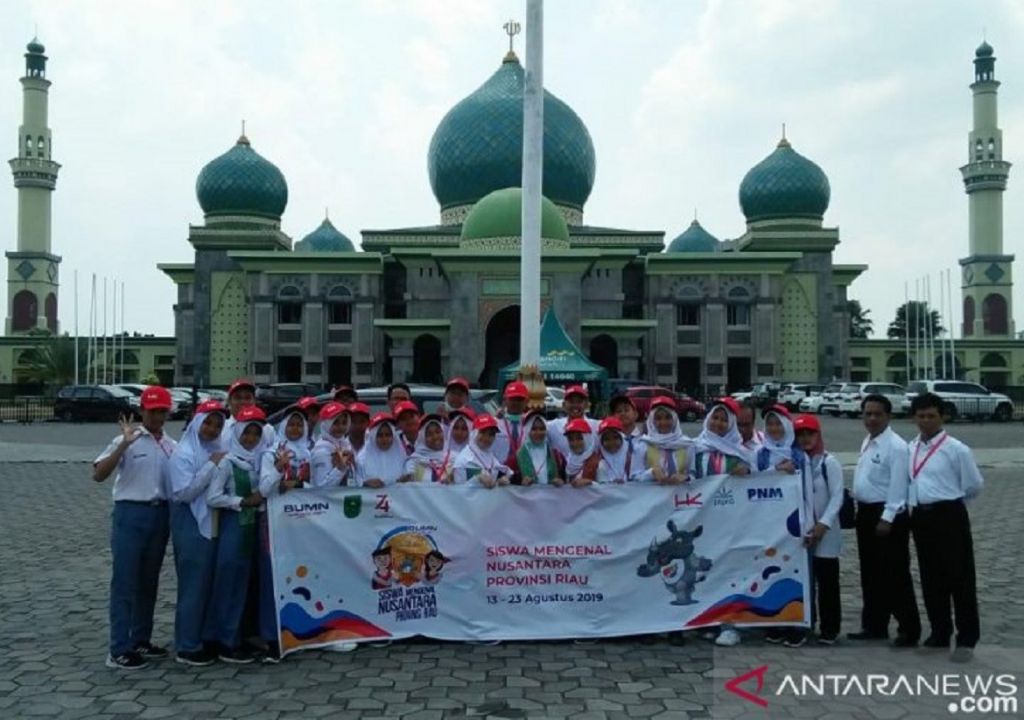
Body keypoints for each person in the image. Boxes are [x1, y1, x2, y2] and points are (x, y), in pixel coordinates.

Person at [93, 386, 177, 670]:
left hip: (160, 515)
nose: (157, 416)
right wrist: (122, 446)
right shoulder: (126, 439)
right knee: (125, 582)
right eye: (152, 411)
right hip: (131, 514)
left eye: (162, 411)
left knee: (148, 582)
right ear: (142, 411)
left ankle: (141, 639)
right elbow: (99, 474)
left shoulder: (171, 445)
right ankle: (118, 648)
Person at [907, 392, 982, 663]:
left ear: (942, 417)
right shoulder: (912, 446)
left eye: (931, 416)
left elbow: (973, 485)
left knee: (959, 578)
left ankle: (966, 639)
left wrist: (951, 505)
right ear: (914, 417)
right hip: (921, 517)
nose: (926, 421)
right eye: (921, 416)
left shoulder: (956, 449)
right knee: (930, 578)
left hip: (949, 515)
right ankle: (939, 633)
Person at [849, 394, 920, 648]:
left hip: (887, 517)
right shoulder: (869, 441)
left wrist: (887, 518)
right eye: (867, 414)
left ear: (888, 416)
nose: (872, 418)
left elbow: (899, 487)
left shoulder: (897, 447)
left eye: (877, 414)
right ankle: (875, 625)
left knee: (895, 574)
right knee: (870, 574)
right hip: (866, 513)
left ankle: (909, 628)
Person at [167, 399, 229, 666]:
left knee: (208, 584)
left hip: (212, 520)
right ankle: (187, 645)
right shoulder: (184, 453)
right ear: (196, 423)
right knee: (193, 585)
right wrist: (211, 466)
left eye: (217, 425)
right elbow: (183, 493)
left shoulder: (215, 450)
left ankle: (205, 637)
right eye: (208, 423)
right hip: (190, 520)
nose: (212, 429)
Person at [204, 405, 267, 663]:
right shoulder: (228, 462)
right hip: (233, 526)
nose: (250, 439)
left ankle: (235, 636)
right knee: (227, 583)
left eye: (255, 434)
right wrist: (240, 502)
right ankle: (221, 641)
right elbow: (213, 497)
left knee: (241, 585)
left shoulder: (257, 460)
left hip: (249, 528)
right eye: (246, 434)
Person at [692, 398, 753, 648]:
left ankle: (730, 624)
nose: (718, 423)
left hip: (731, 521)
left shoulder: (741, 453)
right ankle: (709, 621)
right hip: (704, 521)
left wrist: (747, 473)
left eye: (723, 419)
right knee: (706, 571)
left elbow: (757, 480)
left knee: (730, 571)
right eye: (715, 418)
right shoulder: (697, 448)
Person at [257, 409, 312, 662]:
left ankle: (302, 631)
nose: (296, 430)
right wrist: (280, 471)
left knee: (300, 576)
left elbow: (316, 487)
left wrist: (297, 485)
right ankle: (271, 637)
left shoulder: (308, 454)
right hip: (276, 522)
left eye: (300, 425)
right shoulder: (271, 453)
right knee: (274, 578)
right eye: (291, 425)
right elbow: (266, 488)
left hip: (303, 524)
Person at [789, 413, 844, 648]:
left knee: (827, 581)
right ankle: (804, 624)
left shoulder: (828, 462)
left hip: (826, 532)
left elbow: (837, 496)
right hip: (803, 532)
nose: (805, 439)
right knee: (805, 582)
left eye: (809, 434)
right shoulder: (795, 463)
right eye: (800, 435)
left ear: (818, 434)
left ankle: (830, 628)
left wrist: (824, 523)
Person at [640, 397, 691, 485]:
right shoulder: (644, 444)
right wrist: (652, 473)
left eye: (668, 418)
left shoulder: (687, 444)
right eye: (658, 419)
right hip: (653, 496)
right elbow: (635, 477)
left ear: (674, 419)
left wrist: (685, 477)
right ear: (652, 421)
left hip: (681, 496)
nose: (663, 422)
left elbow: (695, 474)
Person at [452, 414, 512, 487]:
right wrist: (477, 479)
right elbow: (457, 492)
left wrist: (502, 480)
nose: (486, 438)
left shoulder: (492, 458)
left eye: (491, 434)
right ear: (474, 433)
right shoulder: (463, 460)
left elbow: (507, 473)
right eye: (483, 432)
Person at [355, 414, 409, 487]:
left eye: (388, 435)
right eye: (380, 435)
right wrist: (365, 483)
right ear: (373, 437)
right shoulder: (362, 458)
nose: (384, 439)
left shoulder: (401, 455)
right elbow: (354, 481)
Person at [515, 411, 566, 486]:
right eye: (534, 429)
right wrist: (522, 481)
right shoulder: (519, 454)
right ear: (528, 430)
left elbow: (560, 477)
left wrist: (558, 481)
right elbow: (511, 480)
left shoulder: (554, 453)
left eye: (542, 429)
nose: (538, 432)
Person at [310, 402, 354, 488]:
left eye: (344, 423)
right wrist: (340, 469)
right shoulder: (320, 452)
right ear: (326, 424)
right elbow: (321, 487)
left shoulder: (346, 446)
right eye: (335, 423)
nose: (341, 427)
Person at [547, 385, 600, 456]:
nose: (575, 405)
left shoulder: (597, 426)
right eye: (571, 402)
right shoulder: (552, 427)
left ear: (586, 405)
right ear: (563, 405)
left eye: (579, 401)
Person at [404, 414, 454, 483]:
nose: (435, 437)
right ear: (423, 438)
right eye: (429, 434)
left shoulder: (455, 458)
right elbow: (408, 484)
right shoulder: (414, 461)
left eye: (438, 432)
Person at [492, 381, 529, 473]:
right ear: (505, 400)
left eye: (519, 399)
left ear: (526, 401)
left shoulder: (532, 424)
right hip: (499, 473)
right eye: (512, 399)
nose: (516, 403)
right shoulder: (494, 424)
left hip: (526, 475)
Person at [589, 416, 639, 484]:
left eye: (615, 438)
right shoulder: (596, 462)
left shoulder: (632, 457)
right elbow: (599, 487)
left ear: (621, 438)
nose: (611, 442)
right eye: (607, 439)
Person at [755, 405, 802, 474]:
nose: (774, 428)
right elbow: (757, 478)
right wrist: (776, 469)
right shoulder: (761, 453)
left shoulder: (798, 452)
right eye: (770, 424)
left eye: (779, 424)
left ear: (786, 425)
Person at [563, 418, 596, 487]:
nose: (575, 443)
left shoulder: (597, 462)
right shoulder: (568, 460)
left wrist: (590, 483)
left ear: (587, 438)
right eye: (571, 439)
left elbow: (606, 489)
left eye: (579, 438)